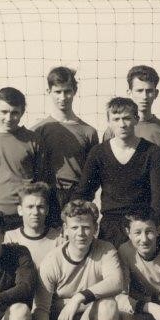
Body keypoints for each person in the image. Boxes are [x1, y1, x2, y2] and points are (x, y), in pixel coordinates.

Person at [33, 199, 126, 320]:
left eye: (86, 227)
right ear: (65, 230)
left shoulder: (106, 249)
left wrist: (78, 298)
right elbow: (40, 309)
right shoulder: (52, 260)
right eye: (75, 227)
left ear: (95, 229)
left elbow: (117, 282)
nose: (81, 233)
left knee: (108, 305)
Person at [76, 97, 160, 246]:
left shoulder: (152, 152)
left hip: (141, 225)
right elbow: (84, 192)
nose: (122, 124)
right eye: (116, 119)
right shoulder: (98, 152)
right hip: (110, 228)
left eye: (127, 118)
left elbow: (158, 197)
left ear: (136, 119)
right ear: (109, 122)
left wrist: (153, 227)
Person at [0, 87, 48, 232]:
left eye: (14, 113)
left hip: (22, 214)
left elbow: (40, 180)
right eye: (4, 112)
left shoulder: (33, 140)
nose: (8, 118)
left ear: (22, 112)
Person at [33, 66, 98, 220]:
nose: (63, 97)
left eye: (67, 91)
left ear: (75, 91)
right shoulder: (38, 130)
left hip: (78, 196)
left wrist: (83, 197)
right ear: (49, 91)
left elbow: (94, 173)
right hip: (48, 196)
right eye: (57, 92)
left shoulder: (88, 132)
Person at [102, 64, 160, 149]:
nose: (144, 96)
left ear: (156, 93)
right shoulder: (114, 129)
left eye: (149, 91)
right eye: (139, 91)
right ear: (129, 93)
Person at [3, 182, 62, 265]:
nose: (35, 212)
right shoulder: (9, 238)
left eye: (40, 207)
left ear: (47, 210)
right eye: (30, 207)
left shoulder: (59, 239)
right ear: (20, 210)